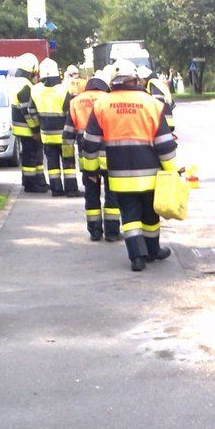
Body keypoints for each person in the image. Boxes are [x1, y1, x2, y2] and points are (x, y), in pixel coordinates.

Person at [80, 59, 179, 272]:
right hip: (150, 175)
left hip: (119, 175)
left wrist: (90, 170)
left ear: (112, 82)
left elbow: (90, 144)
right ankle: (153, 250)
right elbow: (164, 143)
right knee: (150, 215)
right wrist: (173, 171)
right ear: (135, 79)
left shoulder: (102, 105)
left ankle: (137, 257)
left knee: (130, 216)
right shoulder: (152, 104)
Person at [64, 69, 120, 241]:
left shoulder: (75, 102)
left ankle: (95, 231)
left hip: (87, 158)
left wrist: (68, 159)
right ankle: (112, 232)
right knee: (112, 195)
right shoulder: (111, 101)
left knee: (91, 194)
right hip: (110, 157)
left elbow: (67, 135)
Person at [30, 58, 79, 197]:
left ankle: (56, 190)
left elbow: (31, 111)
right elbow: (70, 113)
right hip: (65, 135)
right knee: (68, 163)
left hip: (46, 135)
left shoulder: (35, 90)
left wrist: (36, 129)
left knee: (52, 164)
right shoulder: (64, 89)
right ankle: (71, 190)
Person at [7, 53, 48, 193]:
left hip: (20, 128)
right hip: (27, 129)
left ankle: (38, 181)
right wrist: (35, 129)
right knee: (31, 157)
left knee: (33, 155)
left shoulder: (16, 82)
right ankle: (31, 185)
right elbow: (27, 111)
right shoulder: (25, 85)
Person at [137, 66, 175, 132]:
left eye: (140, 80)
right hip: (166, 122)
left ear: (144, 78)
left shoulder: (152, 83)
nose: (139, 83)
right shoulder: (157, 82)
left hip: (162, 123)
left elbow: (156, 103)